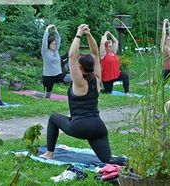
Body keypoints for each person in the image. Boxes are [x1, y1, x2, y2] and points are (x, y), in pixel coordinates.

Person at [40, 24, 126, 165]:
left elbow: (72, 55)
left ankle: (49, 153)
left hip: (79, 126)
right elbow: (96, 53)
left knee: (53, 118)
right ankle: (128, 161)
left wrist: (79, 34)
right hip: (98, 127)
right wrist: (89, 34)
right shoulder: (97, 78)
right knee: (108, 160)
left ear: (80, 67)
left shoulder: (79, 81)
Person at [41, 24, 71, 98]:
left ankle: (73, 94)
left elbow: (58, 39)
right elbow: (44, 42)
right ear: (48, 45)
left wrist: (56, 31)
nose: (54, 45)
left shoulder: (56, 51)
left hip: (58, 75)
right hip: (48, 77)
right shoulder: (45, 52)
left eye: (55, 44)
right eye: (52, 44)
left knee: (74, 78)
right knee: (47, 96)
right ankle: (40, 94)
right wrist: (47, 29)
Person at [99, 31, 130, 95]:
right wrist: (105, 35)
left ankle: (127, 92)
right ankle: (100, 90)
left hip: (117, 75)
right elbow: (102, 43)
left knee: (125, 76)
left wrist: (110, 34)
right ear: (106, 47)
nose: (111, 47)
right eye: (109, 46)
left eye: (111, 46)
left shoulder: (113, 52)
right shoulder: (103, 54)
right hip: (107, 77)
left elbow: (116, 41)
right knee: (108, 92)